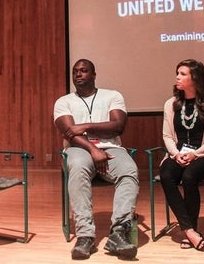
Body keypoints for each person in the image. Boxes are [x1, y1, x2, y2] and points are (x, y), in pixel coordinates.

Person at [53, 59, 139, 260]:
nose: (78, 75)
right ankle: (85, 235)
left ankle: (118, 232)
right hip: (79, 148)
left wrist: (85, 126)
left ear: (94, 74)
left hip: (111, 148)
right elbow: (69, 133)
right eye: (75, 72)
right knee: (78, 167)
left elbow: (118, 126)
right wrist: (93, 149)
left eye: (84, 71)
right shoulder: (63, 102)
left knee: (129, 170)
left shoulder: (112, 96)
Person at [159, 59, 204, 251]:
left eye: (183, 74)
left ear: (195, 77)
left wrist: (195, 154)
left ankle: (190, 228)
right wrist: (176, 154)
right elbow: (167, 135)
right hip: (178, 154)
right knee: (166, 175)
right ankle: (189, 230)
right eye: (177, 73)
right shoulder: (171, 104)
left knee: (189, 177)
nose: (177, 77)